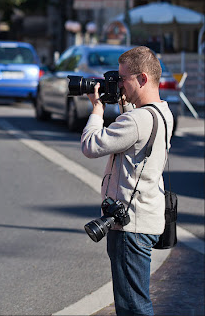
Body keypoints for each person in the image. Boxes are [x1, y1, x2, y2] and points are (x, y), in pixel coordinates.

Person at [81, 46, 174, 316]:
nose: (118, 84)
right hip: (146, 217)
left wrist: (97, 109)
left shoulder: (136, 120)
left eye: (123, 79)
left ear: (143, 78)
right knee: (133, 301)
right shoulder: (162, 113)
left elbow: (90, 145)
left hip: (129, 224)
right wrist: (124, 102)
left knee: (132, 305)